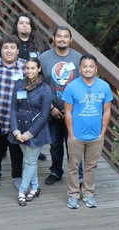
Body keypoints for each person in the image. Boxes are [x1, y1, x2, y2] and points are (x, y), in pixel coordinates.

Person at [0, 12, 50, 162]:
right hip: (10, 86)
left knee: (31, 116)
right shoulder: (9, 42)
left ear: (31, 26)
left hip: (34, 86)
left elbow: (46, 63)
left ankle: (33, 147)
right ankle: (7, 146)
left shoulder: (40, 42)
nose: (24, 25)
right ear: (16, 25)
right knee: (14, 115)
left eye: (27, 23)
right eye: (21, 23)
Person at [62, 54, 113, 209]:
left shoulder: (104, 86)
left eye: (91, 66)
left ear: (96, 69)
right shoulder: (71, 86)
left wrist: (102, 133)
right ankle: (73, 194)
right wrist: (71, 134)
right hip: (77, 135)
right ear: (80, 68)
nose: (88, 69)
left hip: (96, 135)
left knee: (91, 166)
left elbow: (107, 110)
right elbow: (68, 112)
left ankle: (88, 193)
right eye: (85, 66)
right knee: (73, 166)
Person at [39, 26, 82, 185]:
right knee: (55, 144)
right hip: (52, 109)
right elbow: (40, 85)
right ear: (54, 38)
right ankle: (56, 171)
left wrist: (70, 107)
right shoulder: (44, 58)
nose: (62, 39)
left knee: (74, 145)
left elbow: (84, 85)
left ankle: (78, 174)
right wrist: (51, 107)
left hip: (73, 111)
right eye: (59, 36)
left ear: (71, 40)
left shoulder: (78, 59)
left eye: (66, 37)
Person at [0, 34, 26, 191]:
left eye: (12, 48)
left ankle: (17, 176)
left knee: (16, 150)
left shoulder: (25, 66)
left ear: (17, 50)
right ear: (1, 49)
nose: (9, 51)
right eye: (6, 47)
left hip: (18, 120)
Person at [8, 58, 52, 206]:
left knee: (29, 161)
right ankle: (36, 187)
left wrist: (29, 134)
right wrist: (15, 130)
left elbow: (44, 115)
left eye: (33, 68)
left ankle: (22, 190)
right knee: (30, 162)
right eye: (27, 68)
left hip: (35, 132)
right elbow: (13, 107)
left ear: (39, 69)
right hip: (19, 130)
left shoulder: (45, 89)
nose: (29, 71)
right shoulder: (19, 84)